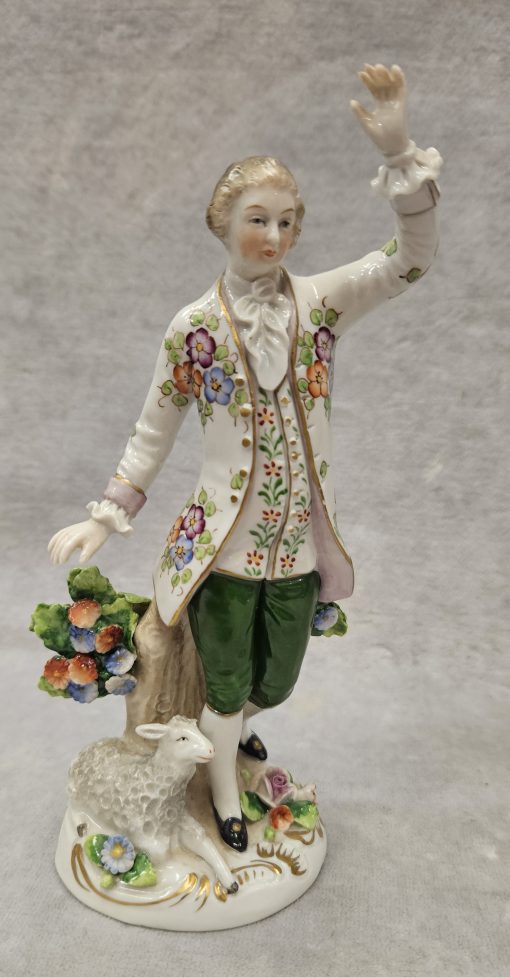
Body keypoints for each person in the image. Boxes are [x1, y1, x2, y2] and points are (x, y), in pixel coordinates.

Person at [48, 64, 441, 852]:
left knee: (276, 680)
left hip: (295, 546)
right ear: (222, 224)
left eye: (287, 221)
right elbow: (153, 430)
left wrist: (401, 156)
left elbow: (410, 260)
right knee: (227, 684)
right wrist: (107, 516)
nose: (274, 236)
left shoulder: (319, 304)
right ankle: (225, 795)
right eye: (258, 219)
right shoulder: (193, 328)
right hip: (223, 552)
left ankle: (219, 737)